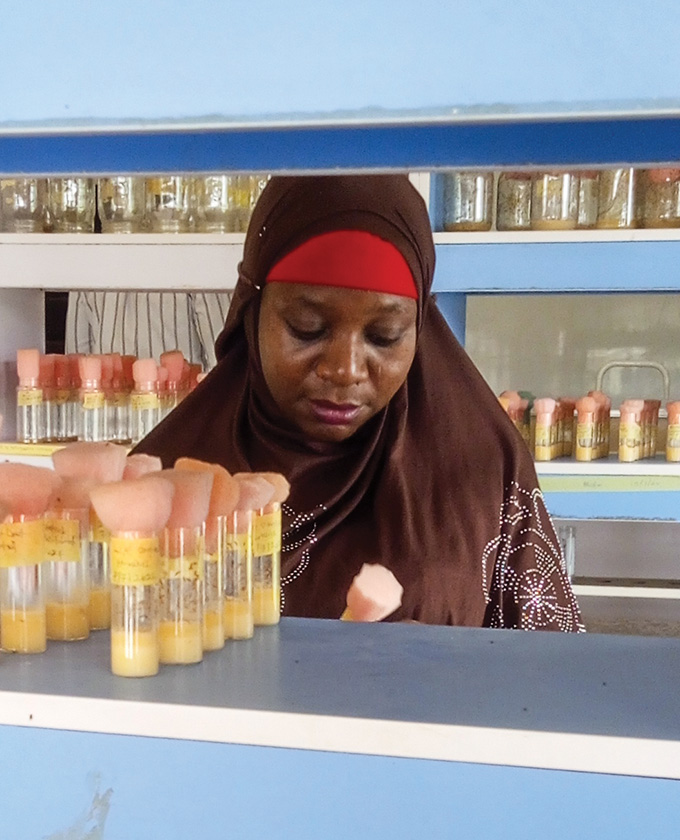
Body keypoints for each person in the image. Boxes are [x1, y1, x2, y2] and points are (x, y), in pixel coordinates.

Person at [134, 174, 583, 630]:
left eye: (384, 337)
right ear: (253, 312)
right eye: (307, 328)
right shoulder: (164, 482)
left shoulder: (481, 469)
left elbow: (545, 670)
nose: (345, 369)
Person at [65, 291, 233, 370]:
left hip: (106, 420)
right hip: (178, 420)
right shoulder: (195, 255)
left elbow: (74, 368)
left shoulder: (89, 259)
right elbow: (225, 366)